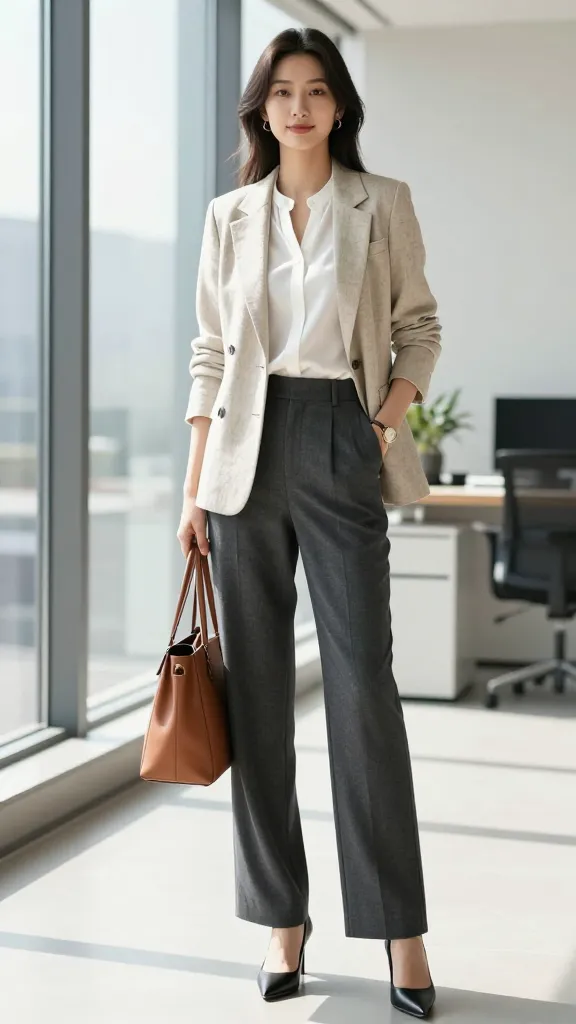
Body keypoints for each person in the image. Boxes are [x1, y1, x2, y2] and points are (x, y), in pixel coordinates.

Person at [177, 26, 441, 1019]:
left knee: (363, 687)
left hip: (340, 432)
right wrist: (193, 492)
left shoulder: (383, 205)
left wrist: (381, 420)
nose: (300, 106)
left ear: (339, 108)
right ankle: (281, 920)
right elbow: (209, 353)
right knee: (253, 701)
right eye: (283, 91)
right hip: (242, 454)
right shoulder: (230, 215)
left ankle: (401, 933)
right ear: (262, 109)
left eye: (317, 90)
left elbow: (420, 323)